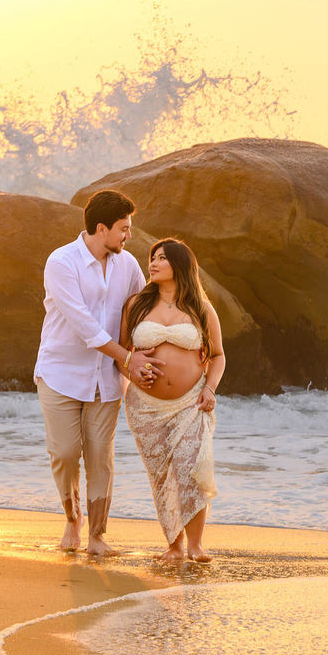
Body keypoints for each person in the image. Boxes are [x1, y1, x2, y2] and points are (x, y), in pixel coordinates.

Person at [35, 190, 164, 555]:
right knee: (63, 452)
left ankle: (97, 537)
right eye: (124, 228)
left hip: (107, 378)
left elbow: (145, 307)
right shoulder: (61, 263)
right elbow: (86, 328)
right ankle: (72, 518)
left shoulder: (127, 266)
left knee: (99, 457)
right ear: (101, 227)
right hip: (60, 372)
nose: (129, 236)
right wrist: (129, 359)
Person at [120, 238, 225, 562]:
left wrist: (210, 389)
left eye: (162, 258)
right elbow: (121, 353)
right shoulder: (135, 304)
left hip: (191, 403)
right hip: (145, 407)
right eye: (152, 257)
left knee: (190, 468)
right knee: (162, 475)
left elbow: (218, 356)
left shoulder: (200, 308)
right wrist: (133, 372)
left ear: (179, 265)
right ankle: (174, 546)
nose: (152, 263)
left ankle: (195, 545)